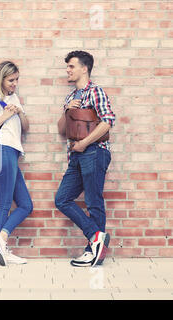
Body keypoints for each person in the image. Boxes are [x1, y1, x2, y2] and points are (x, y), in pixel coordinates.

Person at [55, 51, 116, 267]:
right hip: (76, 156)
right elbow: (62, 130)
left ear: (84, 68)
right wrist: (66, 111)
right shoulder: (70, 98)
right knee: (62, 199)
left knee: (93, 202)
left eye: (71, 66)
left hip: (94, 151)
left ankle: (93, 252)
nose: (68, 70)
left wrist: (84, 143)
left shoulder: (96, 92)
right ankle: (96, 237)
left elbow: (107, 121)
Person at [0, 61, 33, 266]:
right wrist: (5, 115)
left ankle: (1, 238)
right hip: (0, 151)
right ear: (1, 79)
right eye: (11, 80)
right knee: (4, 203)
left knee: (26, 205)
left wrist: (18, 111)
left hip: (12, 152)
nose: (14, 84)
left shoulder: (14, 98)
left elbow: (26, 127)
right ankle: (3, 247)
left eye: (17, 80)